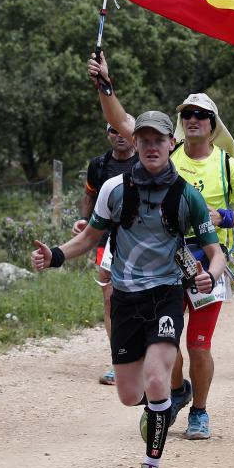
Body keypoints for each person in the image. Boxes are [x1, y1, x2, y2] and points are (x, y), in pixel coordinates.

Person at [31, 111, 225, 468]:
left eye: (159, 140)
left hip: (166, 295)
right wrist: (54, 255)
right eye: (144, 140)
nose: (152, 147)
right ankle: (165, 402)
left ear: (172, 144)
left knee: (156, 378)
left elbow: (214, 253)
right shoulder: (114, 189)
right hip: (124, 298)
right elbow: (89, 238)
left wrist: (210, 274)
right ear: (135, 145)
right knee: (127, 393)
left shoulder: (188, 196)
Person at [88, 52, 234, 441]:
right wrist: (105, 84)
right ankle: (174, 393)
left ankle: (199, 411)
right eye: (187, 114)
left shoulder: (226, 165)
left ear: (212, 124)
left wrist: (226, 217)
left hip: (204, 264)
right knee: (166, 348)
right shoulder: (163, 150)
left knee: (198, 346)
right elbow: (121, 121)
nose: (193, 120)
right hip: (162, 266)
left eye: (200, 115)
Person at [73, 121, 137, 386]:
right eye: (113, 131)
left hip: (141, 240)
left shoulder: (146, 162)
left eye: (123, 132)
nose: (119, 136)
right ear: (108, 134)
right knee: (110, 298)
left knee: (141, 298)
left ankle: (146, 358)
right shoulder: (98, 165)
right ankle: (119, 360)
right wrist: (84, 221)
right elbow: (90, 193)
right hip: (108, 238)